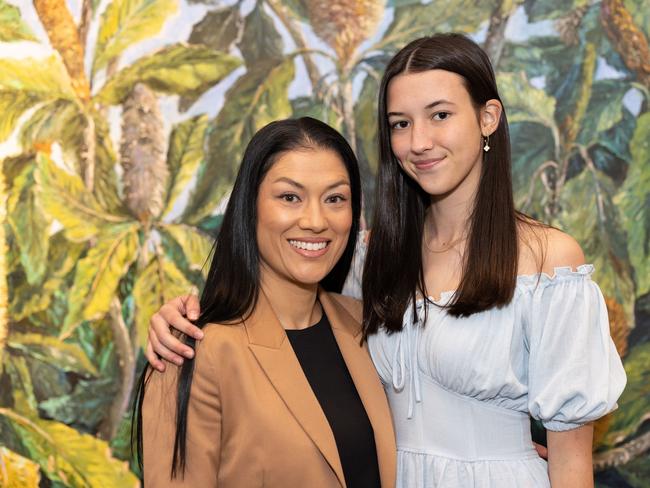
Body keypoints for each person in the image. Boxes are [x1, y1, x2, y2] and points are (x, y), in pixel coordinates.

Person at [146, 34, 626, 487]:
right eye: (401, 123)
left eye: (440, 115)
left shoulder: (550, 261)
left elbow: (570, 458)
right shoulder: (367, 257)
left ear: (488, 117)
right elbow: (280, 314)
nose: (418, 141)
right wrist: (179, 316)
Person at [134, 117, 396, 487]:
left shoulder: (366, 327)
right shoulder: (193, 352)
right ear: (250, 207)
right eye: (290, 197)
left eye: (335, 198)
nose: (316, 221)